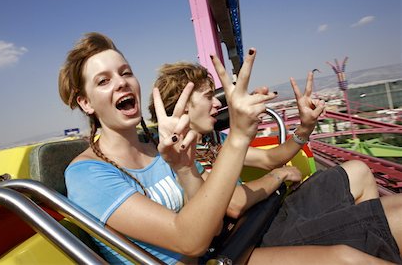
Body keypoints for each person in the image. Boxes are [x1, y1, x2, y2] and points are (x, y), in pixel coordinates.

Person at [58, 32, 395, 264]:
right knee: (346, 259)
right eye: (103, 81)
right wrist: (239, 138)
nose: (120, 82)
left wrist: (186, 168)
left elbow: (212, 222)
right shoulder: (88, 174)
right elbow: (189, 239)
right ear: (86, 102)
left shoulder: (158, 149)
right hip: (222, 254)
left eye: (125, 72)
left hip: (231, 245)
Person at [149, 61, 402, 264]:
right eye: (207, 97)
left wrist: (305, 127)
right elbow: (233, 204)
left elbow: (271, 158)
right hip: (247, 236)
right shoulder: (177, 156)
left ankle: (364, 231)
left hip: (266, 212)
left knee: (357, 170)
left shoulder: (212, 141)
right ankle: (365, 234)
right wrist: (277, 177)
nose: (217, 103)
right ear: (182, 107)